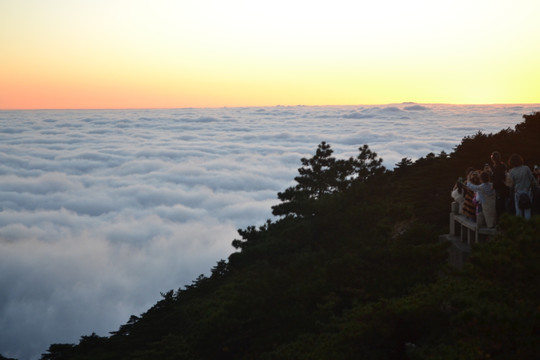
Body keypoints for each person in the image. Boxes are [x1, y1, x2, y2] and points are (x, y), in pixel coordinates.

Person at [506, 154, 540, 219]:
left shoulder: (511, 171)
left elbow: (511, 184)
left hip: (518, 192)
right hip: (528, 192)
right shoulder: (526, 168)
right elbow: (532, 179)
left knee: (518, 210)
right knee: (528, 210)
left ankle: (519, 225)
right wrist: (537, 186)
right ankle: (528, 225)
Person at [490, 151, 509, 220]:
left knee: (499, 208)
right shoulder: (503, 165)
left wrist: (493, 185)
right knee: (504, 207)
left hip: (499, 190)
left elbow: (497, 180)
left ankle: (501, 224)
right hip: (505, 188)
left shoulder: (497, 167)